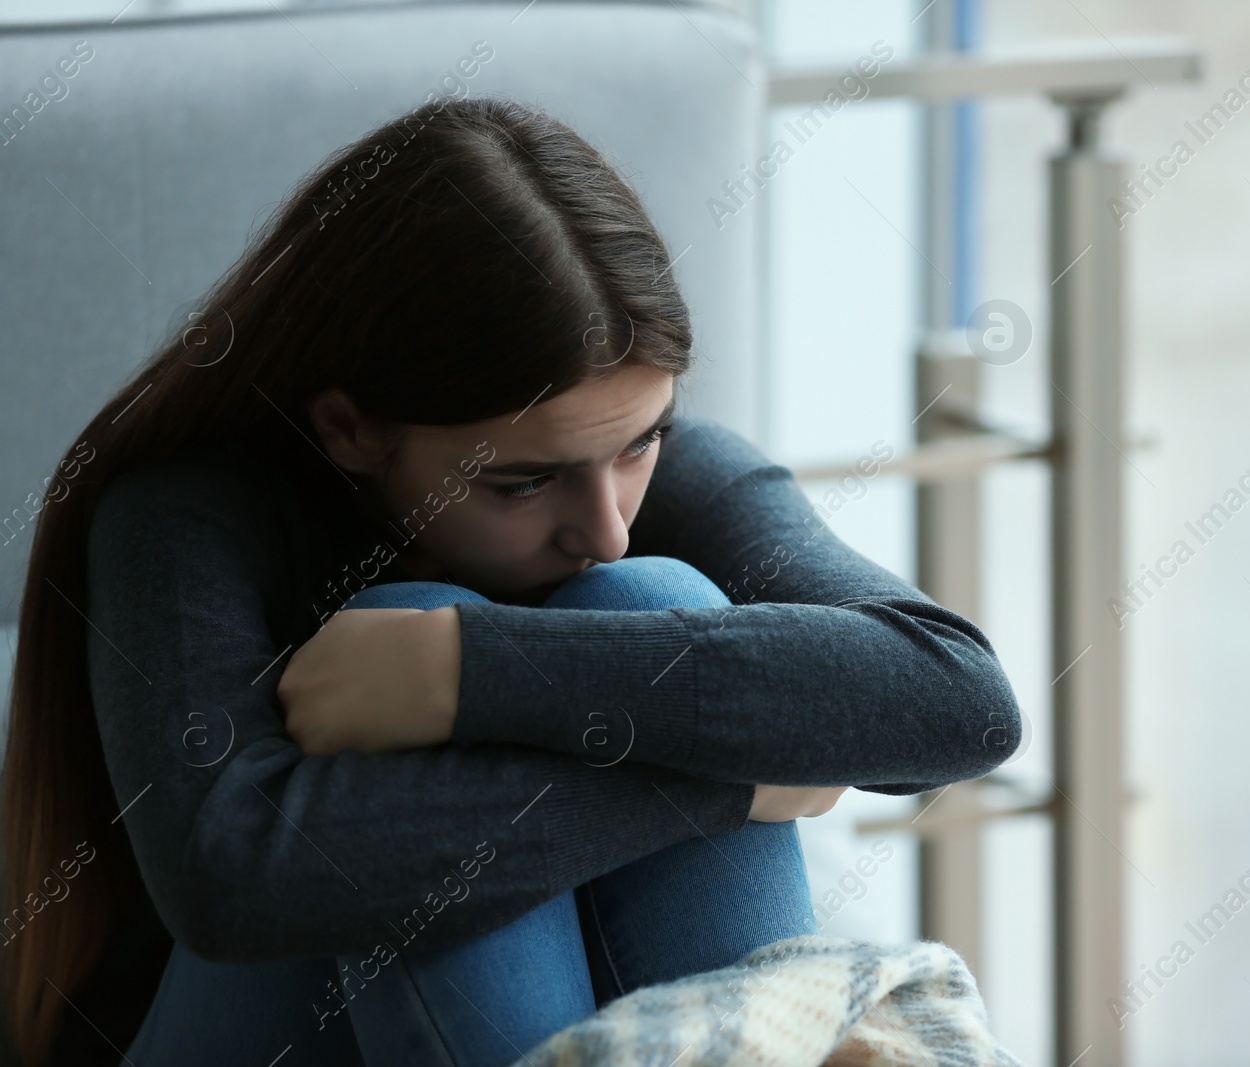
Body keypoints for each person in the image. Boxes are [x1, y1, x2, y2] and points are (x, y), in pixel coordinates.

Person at [0, 96, 1021, 1066]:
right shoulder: (184, 516)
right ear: (348, 426)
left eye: (642, 442)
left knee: (647, 599)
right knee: (443, 611)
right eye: (522, 481)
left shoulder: (653, 499)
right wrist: (734, 778)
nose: (607, 526)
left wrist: (463, 668)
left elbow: (957, 698)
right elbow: (232, 879)